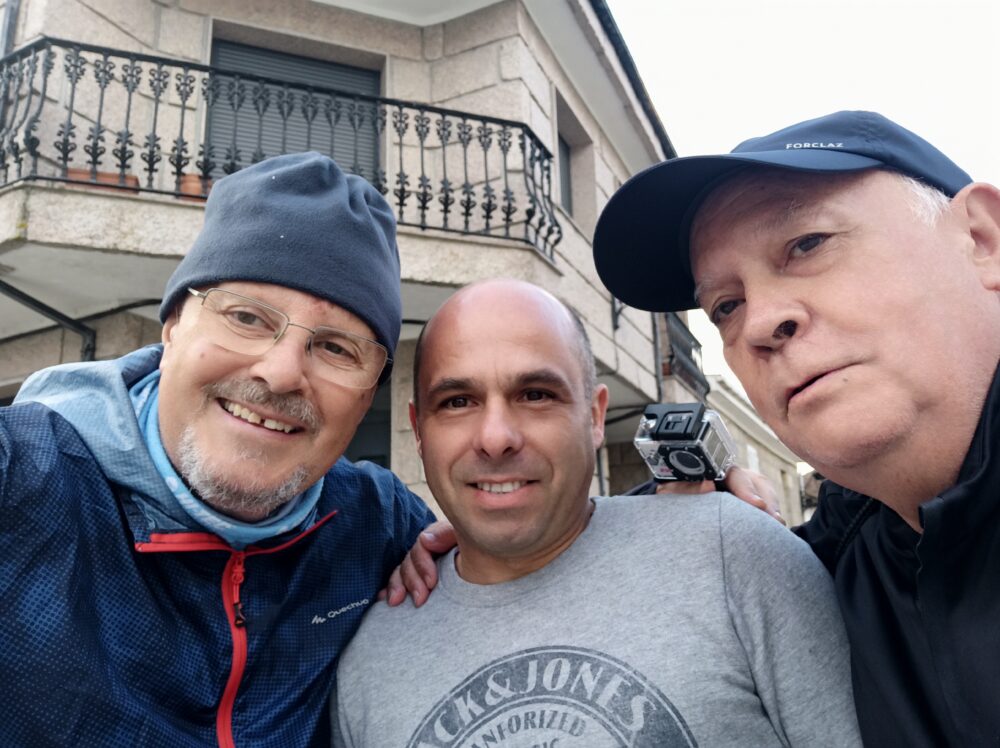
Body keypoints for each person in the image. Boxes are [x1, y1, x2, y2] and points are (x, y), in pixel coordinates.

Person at [0, 152, 438, 746]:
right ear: (173, 327)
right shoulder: (21, 480)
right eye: (247, 318)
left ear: (367, 398)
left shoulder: (377, 524)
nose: (281, 373)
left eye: (338, 349)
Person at [591, 110, 1000, 746]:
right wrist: (527, 545)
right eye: (726, 305)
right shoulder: (827, 573)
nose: (759, 323)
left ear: (981, 239)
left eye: (807, 244)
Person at [332, 278, 861, 747]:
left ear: (594, 416)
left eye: (535, 394)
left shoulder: (736, 556)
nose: (495, 437)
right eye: (457, 402)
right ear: (418, 430)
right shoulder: (369, 658)